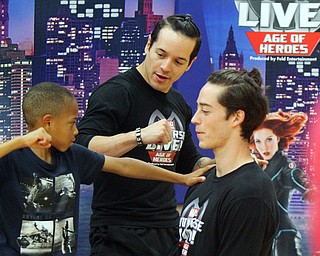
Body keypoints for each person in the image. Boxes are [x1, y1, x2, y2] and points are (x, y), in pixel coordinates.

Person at [0, 82, 210, 256]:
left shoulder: (72, 155)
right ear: (47, 122)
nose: (76, 131)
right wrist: (20, 142)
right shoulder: (11, 159)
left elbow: (125, 166)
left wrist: (181, 178)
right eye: (71, 123)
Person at [75, 14, 214, 255]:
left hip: (167, 228)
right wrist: (139, 136)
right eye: (161, 54)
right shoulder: (116, 93)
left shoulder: (179, 103)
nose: (166, 67)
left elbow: (188, 160)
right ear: (148, 45)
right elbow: (83, 149)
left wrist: (227, 165)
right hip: (119, 231)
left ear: (190, 64)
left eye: (178, 61)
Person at [171, 68, 279, 256]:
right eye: (198, 109)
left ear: (237, 117)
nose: (195, 119)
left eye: (205, 111)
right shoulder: (203, 180)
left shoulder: (251, 193)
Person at [250, 109, 315, 256]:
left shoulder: (286, 166)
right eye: (258, 141)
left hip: (283, 236)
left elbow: (301, 179)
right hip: (261, 237)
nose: (264, 147)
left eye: (269, 139)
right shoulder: (254, 167)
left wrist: (311, 191)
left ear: (278, 138)